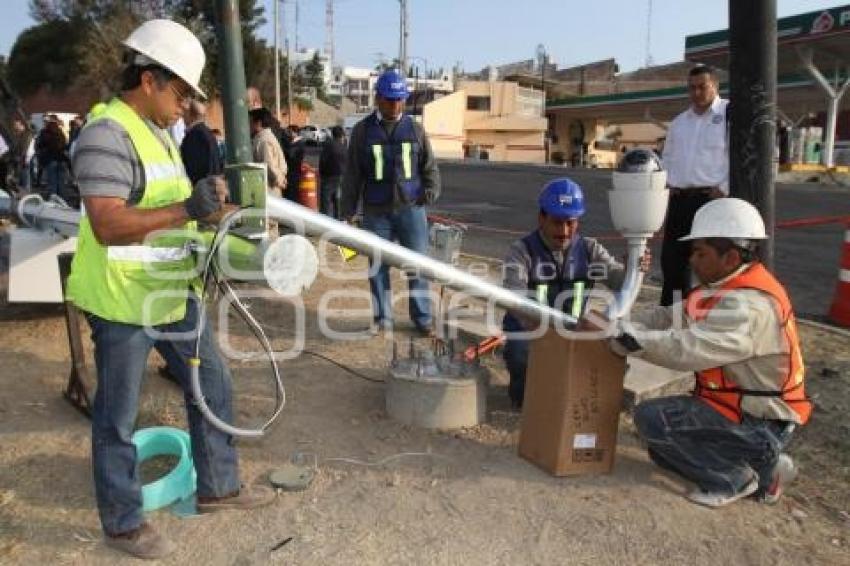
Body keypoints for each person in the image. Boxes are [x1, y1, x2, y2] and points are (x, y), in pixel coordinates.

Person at [65, 19, 274, 560]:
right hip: (122, 301)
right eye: (181, 92)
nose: (186, 106)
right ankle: (123, 523)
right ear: (150, 79)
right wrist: (188, 207)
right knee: (118, 415)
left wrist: (221, 215)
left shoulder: (159, 135)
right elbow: (109, 224)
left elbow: (177, 214)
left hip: (169, 292)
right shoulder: (105, 134)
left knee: (214, 385)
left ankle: (218, 487)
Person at [611, 198, 812, 508]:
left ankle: (735, 477)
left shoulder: (749, 307)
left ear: (730, 257)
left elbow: (687, 348)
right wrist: (617, 322)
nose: (692, 260)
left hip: (760, 421)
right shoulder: (721, 287)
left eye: (700, 252)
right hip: (735, 409)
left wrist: (631, 339)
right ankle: (766, 469)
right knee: (660, 449)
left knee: (653, 420)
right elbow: (668, 317)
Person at [502, 177, 650, 408]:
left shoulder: (590, 250)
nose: (564, 231)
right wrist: (543, 330)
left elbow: (619, 282)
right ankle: (525, 401)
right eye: (557, 222)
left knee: (614, 344)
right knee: (521, 351)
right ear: (541, 218)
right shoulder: (522, 252)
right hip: (532, 328)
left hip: (573, 327)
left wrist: (634, 268)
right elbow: (515, 298)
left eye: (571, 223)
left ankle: (585, 400)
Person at [341, 69, 441, 335]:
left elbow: (429, 167)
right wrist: (347, 212)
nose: (395, 104)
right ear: (378, 99)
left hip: (411, 209)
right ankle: (383, 318)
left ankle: (422, 318)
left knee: (417, 265)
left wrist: (430, 192)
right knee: (377, 267)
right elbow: (352, 174)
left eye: (399, 99)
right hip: (376, 212)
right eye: (389, 99)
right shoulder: (363, 132)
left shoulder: (416, 130)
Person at [660, 65, 729, 306]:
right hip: (680, 200)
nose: (697, 92)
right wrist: (669, 183)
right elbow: (667, 157)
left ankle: (708, 316)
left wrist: (724, 188)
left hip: (711, 201)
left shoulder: (729, 114)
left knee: (711, 264)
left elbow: (741, 153)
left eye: (703, 87)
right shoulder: (680, 122)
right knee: (673, 264)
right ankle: (673, 318)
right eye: (692, 88)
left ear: (715, 86)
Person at [180, 99, 223, 186]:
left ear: (190, 114)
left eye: (185, 113)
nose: (183, 117)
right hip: (212, 185)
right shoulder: (208, 133)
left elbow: (194, 167)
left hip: (202, 188)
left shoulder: (195, 135)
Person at [318, 125, 346, 218]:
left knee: (325, 201)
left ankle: (325, 220)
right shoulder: (344, 147)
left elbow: (323, 160)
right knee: (338, 199)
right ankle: (338, 219)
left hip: (329, 177)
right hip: (341, 176)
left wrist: (321, 173)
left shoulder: (328, 145)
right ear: (342, 135)